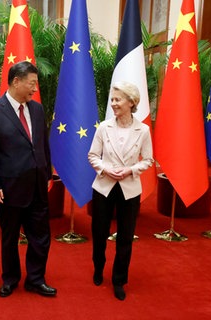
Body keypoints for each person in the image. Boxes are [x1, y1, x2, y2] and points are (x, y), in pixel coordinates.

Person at [0, 61, 56, 298]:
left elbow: (42, 144)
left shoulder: (37, 109)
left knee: (41, 237)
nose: (35, 88)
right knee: (10, 237)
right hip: (9, 188)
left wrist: (47, 173)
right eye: (32, 83)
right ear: (16, 81)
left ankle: (36, 279)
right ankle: (10, 279)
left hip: (37, 185)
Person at [87, 81, 154, 301]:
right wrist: (106, 169)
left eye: (118, 100)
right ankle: (98, 268)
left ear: (131, 102)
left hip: (129, 189)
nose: (114, 104)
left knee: (125, 237)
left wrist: (131, 170)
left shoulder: (143, 130)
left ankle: (118, 280)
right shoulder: (104, 127)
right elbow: (93, 156)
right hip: (104, 187)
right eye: (112, 100)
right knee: (99, 232)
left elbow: (149, 160)